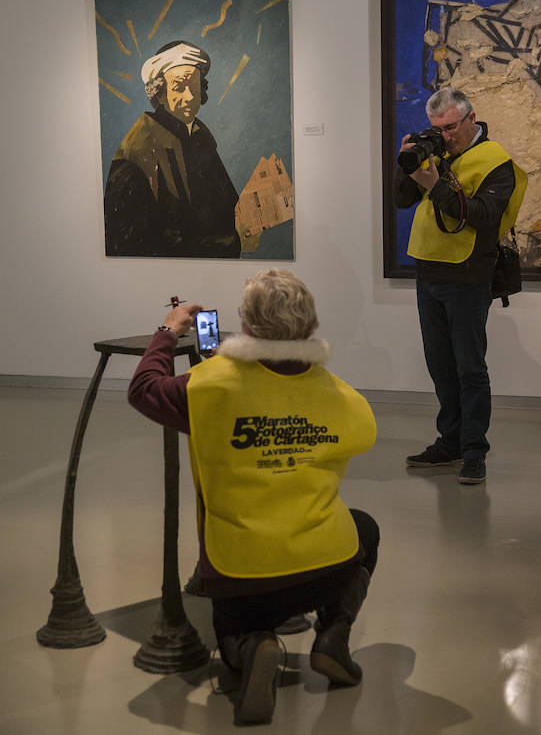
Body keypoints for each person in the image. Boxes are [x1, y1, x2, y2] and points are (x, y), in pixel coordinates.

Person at [128, 269, 379, 726]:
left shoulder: (208, 385)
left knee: (230, 631)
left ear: (246, 322)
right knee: (365, 528)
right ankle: (332, 636)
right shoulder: (341, 395)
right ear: (310, 322)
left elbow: (142, 390)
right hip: (325, 567)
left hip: (241, 573)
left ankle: (250, 646)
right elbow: (365, 435)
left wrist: (168, 331)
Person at [393, 87, 527, 484]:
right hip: (429, 273)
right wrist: (408, 165)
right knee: (440, 366)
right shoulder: (435, 153)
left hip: (468, 275)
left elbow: (485, 216)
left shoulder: (496, 161)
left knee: (469, 368)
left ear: (471, 119)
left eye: (451, 127)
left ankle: (474, 452)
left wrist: (436, 184)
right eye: (437, 129)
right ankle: (449, 442)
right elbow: (402, 201)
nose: (445, 136)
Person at [104, 40, 241, 258]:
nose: (188, 97)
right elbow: (127, 243)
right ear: (159, 93)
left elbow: (226, 210)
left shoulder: (199, 137)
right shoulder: (138, 150)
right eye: (179, 86)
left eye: (194, 86)